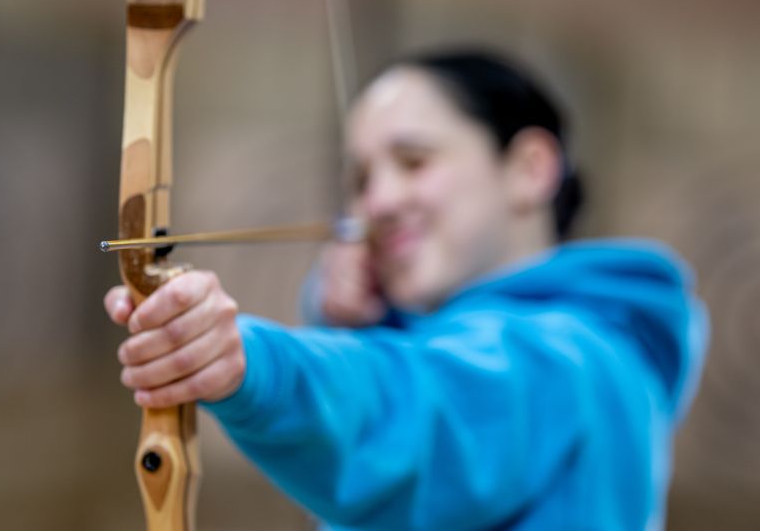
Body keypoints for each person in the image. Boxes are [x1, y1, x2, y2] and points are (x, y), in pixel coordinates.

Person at [104, 51, 708, 530]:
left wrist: (248, 361)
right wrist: (366, 327)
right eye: (362, 179)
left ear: (530, 169)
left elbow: (426, 407)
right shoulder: (589, 348)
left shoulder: (570, 361)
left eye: (414, 162)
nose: (379, 203)